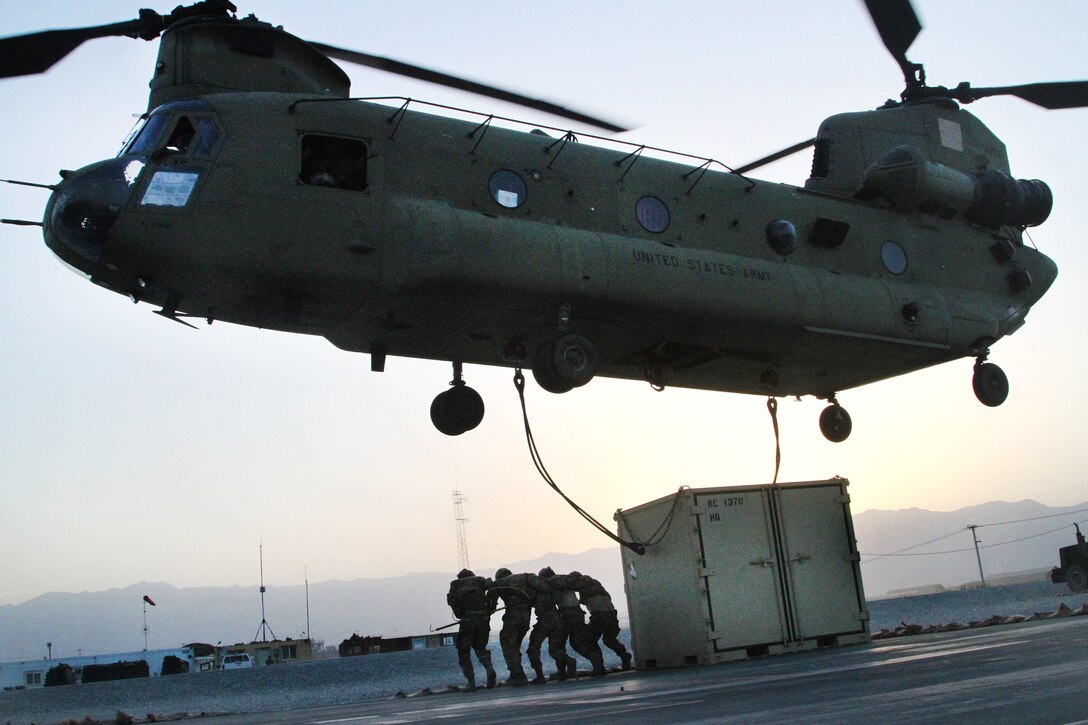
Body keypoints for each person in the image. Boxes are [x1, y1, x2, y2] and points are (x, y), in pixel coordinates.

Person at [489, 568, 544, 686]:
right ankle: (515, 673)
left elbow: (491, 605)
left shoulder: (500, 584)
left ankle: (518, 676)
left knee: (508, 646)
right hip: (525, 619)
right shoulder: (523, 580)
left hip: (512, 620)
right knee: (514, 647)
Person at [446, 568, 497, 692]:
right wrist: (491, 608)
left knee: (463, 651)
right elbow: (494, 590)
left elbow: (451, 600)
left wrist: (459, 612)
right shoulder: (481, 580)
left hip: (468, 621)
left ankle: (471, 682)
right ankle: (489, 668)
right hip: (483, 619)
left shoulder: (456, 584)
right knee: (480, 648)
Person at [572, 572, 633, 670]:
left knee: (587, 641)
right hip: (612, 615)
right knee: (609, 640)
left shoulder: (582, 585)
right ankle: (624, 655)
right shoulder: (597, 587)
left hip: (599, 617)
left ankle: (598, 666)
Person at [551, 571, 606, 676]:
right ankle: (598, 666)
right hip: (578, 612)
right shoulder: (567, 580)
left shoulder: (553, 582)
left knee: (557, 643)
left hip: (566, 614)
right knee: (582, 641)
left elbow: (552, 600)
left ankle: (564, 669)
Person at [526, 566, 572, 684]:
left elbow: (529, 601)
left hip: (544, 621)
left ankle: (540, 676)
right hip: (558, 619)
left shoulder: (538, 590)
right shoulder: (556, 588)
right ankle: (564, 669)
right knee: (555, 648)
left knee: (533, 648)